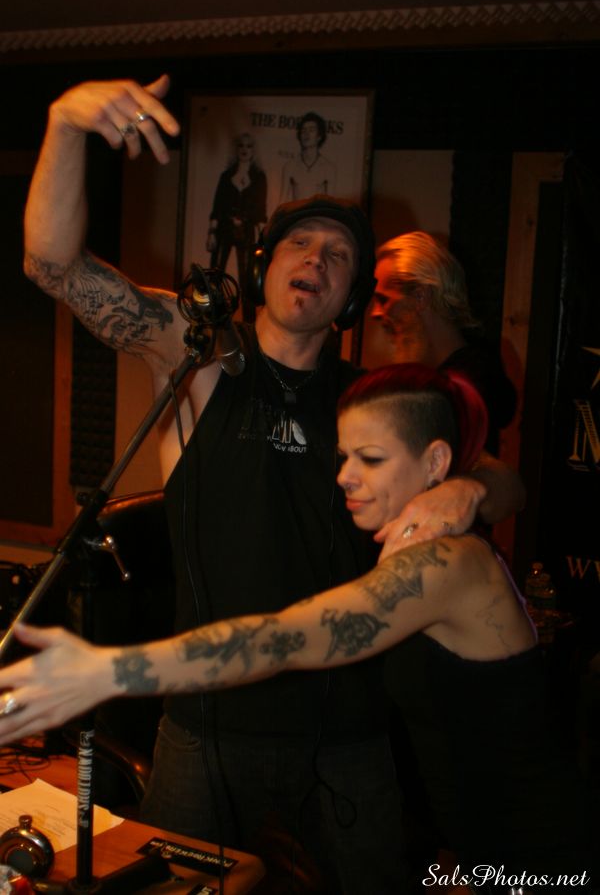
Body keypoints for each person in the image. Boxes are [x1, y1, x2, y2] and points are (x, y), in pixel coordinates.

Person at [18, 74, 524, 893]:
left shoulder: (373, 401)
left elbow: (504, 481)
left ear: (352, 298)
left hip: (348, 735)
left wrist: (464, 491)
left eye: (338, 256)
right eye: (300, 244)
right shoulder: (195, 359)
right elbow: (52, 265)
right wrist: (64, 125)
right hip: (205, 730)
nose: (316, 260)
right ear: (264, 266)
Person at [0, 364, 591, 893]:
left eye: (371, 459)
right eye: (344, 457)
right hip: (487, 854)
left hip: (541, 857)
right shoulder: (425, 552)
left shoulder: (448, 564)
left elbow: (283, 638)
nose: (345, 477)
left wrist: (107, 670)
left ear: (436, 463)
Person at [371, 231, 517, 453]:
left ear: (420, 297)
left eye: (383, 300)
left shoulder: (466, 388)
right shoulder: (449, 378)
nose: (375, 313)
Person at [206, 131, 267, 321]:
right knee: (215, 275)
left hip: (247, 232)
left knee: (248, 280)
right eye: (241, 145)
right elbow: (217, 206)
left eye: (249, 146)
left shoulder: (259, 177)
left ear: (254, 150)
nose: (244, 150)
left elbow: (261, 210)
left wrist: (262, 240)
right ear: (236, 149)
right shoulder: (226, 176)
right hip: (224, 229)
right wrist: (212, 232)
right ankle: (211, 319)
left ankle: (249, 324)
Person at [280, 112, 337, 203]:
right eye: (303, 130)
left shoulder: (329, 168)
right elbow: (282, 202)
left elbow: (330, 204)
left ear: (319, 136)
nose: (306, 134)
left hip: (317, 211)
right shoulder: (290, 166)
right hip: (297, 211)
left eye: (311, 130)